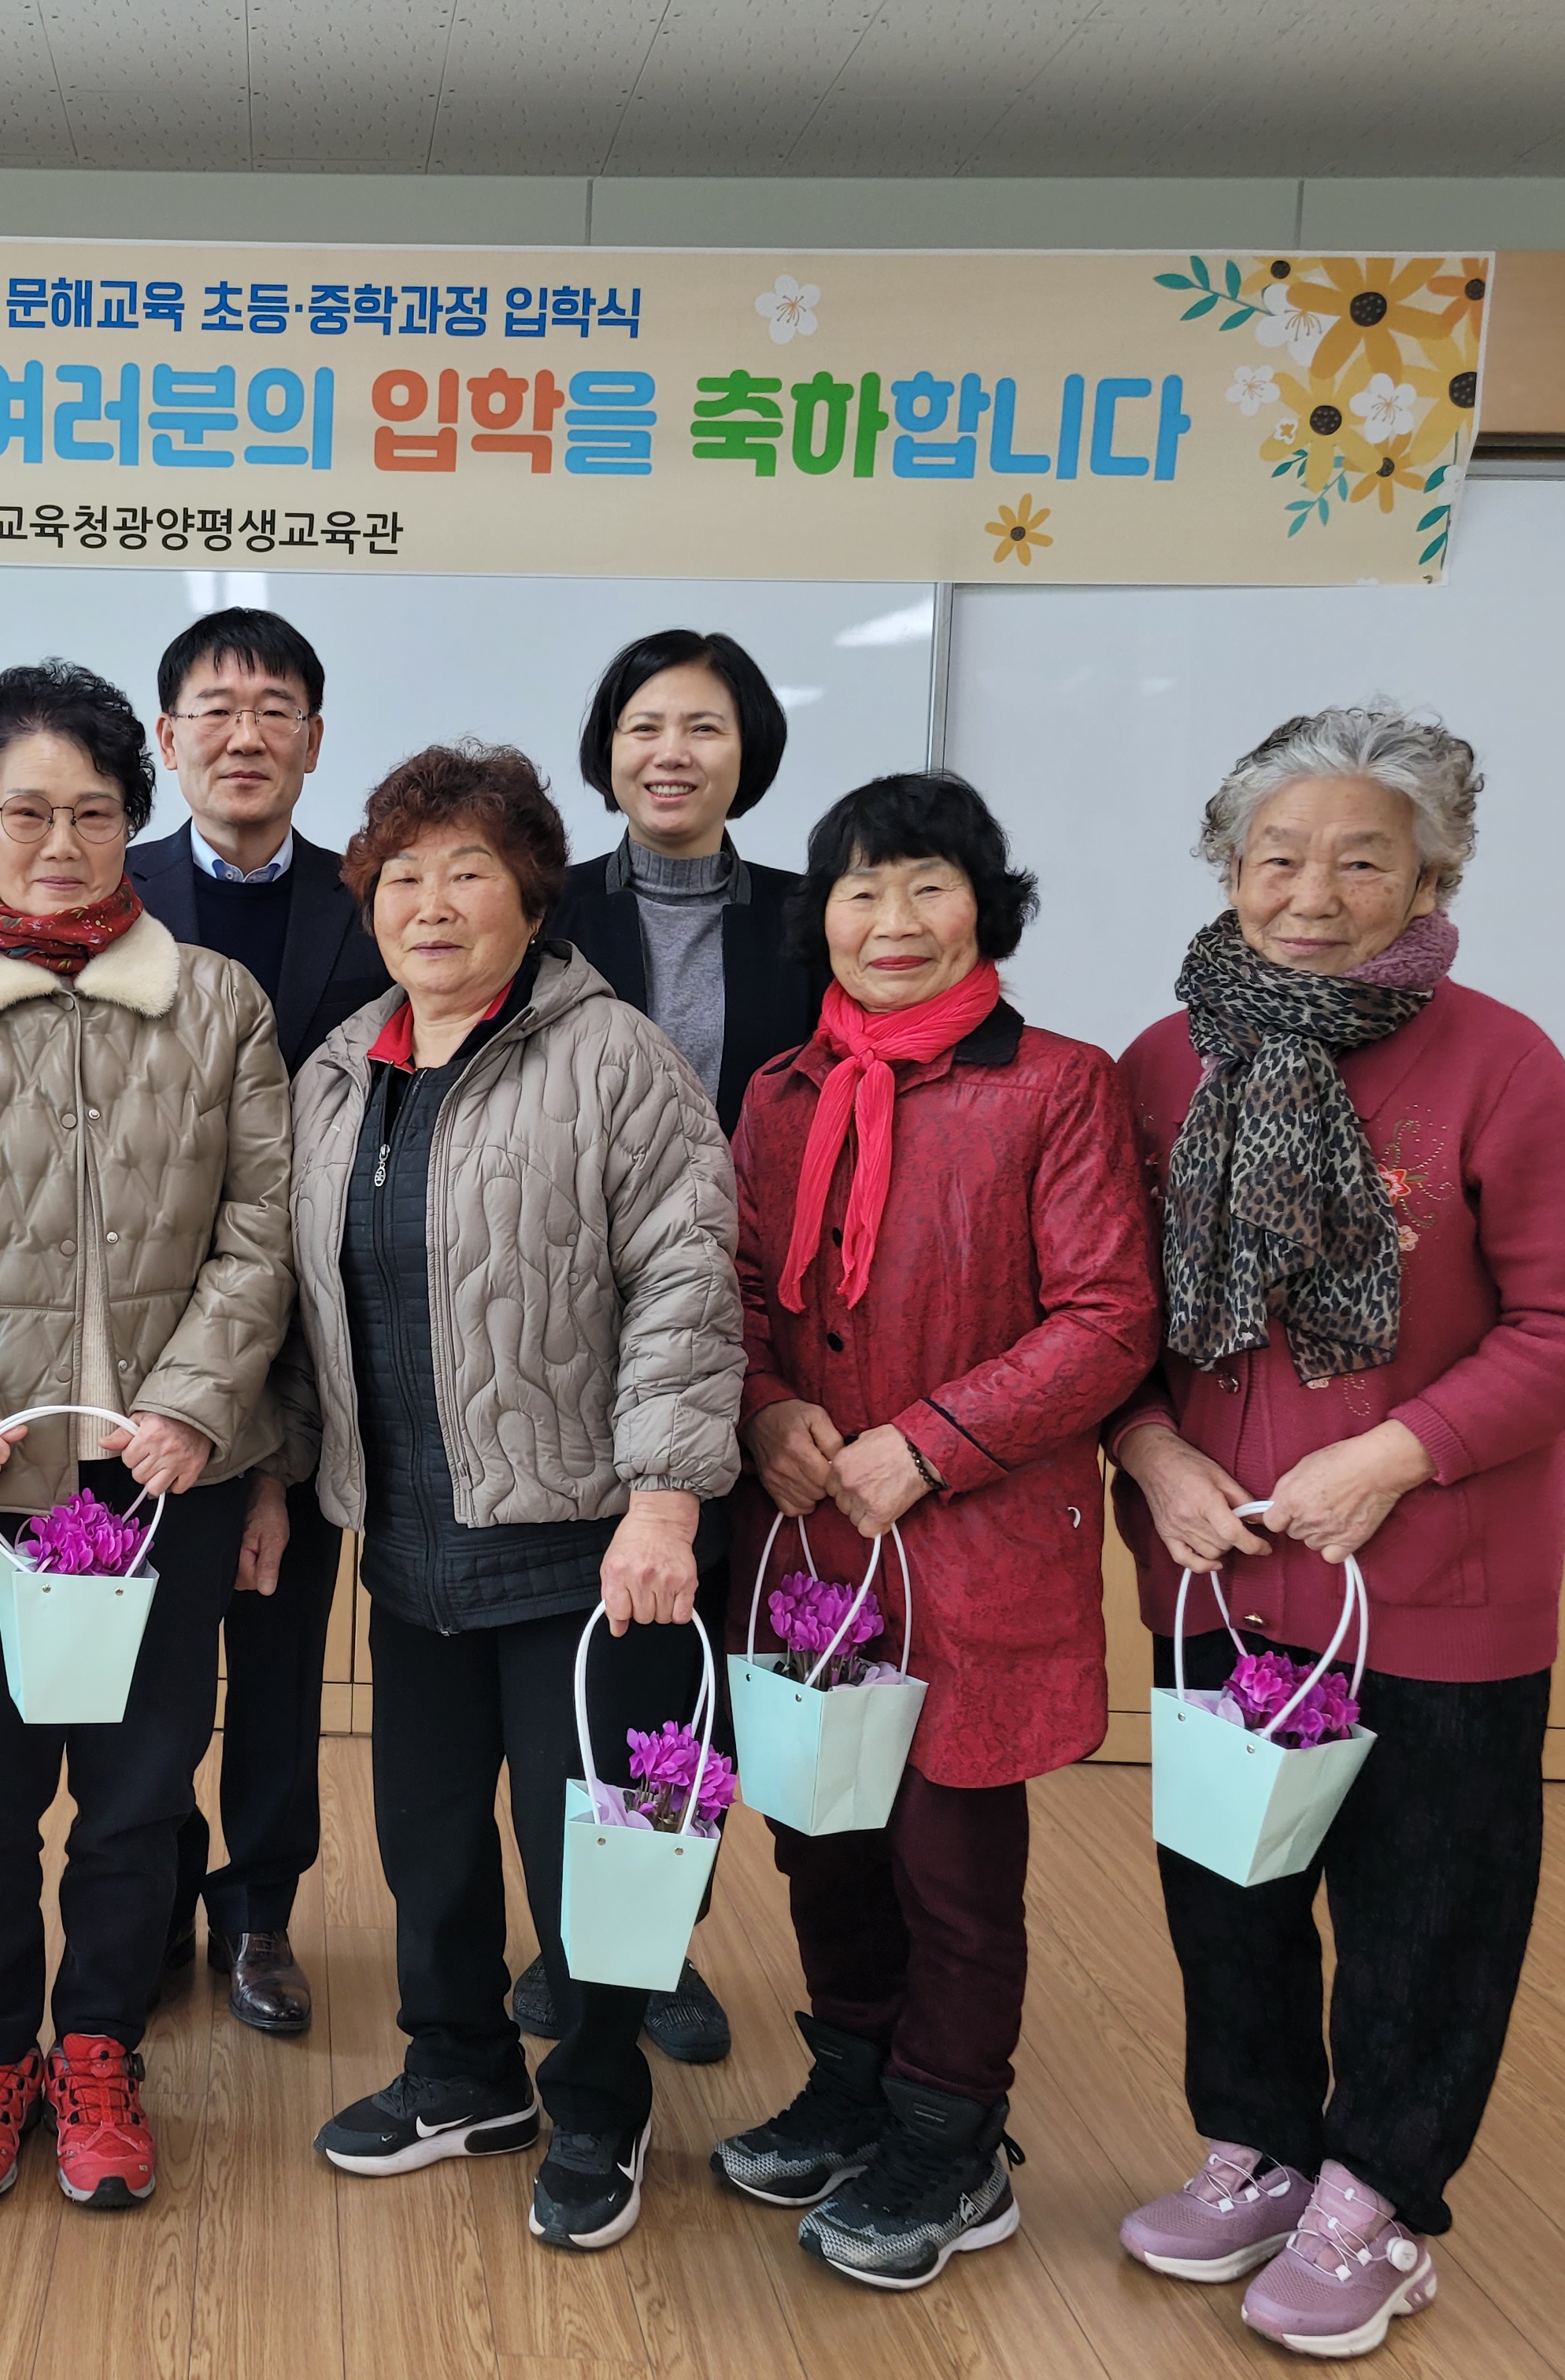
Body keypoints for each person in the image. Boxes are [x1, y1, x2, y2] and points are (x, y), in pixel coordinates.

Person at [1107, 708, 1565, 2361]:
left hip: (1435, 1582)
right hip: (1218, 1571)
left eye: (1361, 862)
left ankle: (1379, 2200)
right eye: (1279, 857)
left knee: (1427, 1912)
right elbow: (1110, 1317)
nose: (1313, 895)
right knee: (1229, 1892)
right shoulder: (1162, 1061)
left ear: (1430, 879)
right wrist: (1149, 1453)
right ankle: (1260, 2150)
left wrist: (1398, 1456)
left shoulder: (1501, 1061)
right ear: (1229, 869)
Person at [0, 658, 293, 2212]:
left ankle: (98, 2049)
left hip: (166, 1478)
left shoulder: (216, 1003)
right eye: (24, 812)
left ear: (131, 822)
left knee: (142, 1786)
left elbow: (261, 1228)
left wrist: (195, 1407)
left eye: (94, 814)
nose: (60, 844)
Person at [295, 742, 744, 2256]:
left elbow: (687, 1283)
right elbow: (307, 1301)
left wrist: (665, 1501)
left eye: (468, 872)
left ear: (534, 899)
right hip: (409, 1537)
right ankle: (460, 2074)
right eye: (402, 875)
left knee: (590, 1853)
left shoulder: (614, 1057)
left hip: (581, 1545)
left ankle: (601, 2103)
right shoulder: (341, 1071)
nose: (430, 904)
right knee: (425, 1834)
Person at [713, 771, 1159, 2291]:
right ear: (821, 916)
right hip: (813, 1533)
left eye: (927, 885)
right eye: (859, 889)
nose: (891, 920)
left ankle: (952, 2137)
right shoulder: (780, 1093)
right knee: (824, 1839)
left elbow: (1109, 1317)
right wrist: (767, 1409)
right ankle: (853, 2084)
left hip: (975, 1536)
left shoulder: (1059, 1085)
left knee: (951, 1862)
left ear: (986, 907)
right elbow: (737, 1287)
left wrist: (932, 1442)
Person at [530, 624, 824, 2065]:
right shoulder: (546, 910)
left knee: (686, 1658)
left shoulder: (817, 922)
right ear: (606, 752)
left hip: (751, 1327)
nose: (672, 753)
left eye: (704, 727)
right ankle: (561, 1939)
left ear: (747, 753)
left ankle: (657, 1943)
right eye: (644, 726)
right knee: (567, 1653)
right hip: (556, 1335)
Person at [129, 604, 393, 2036]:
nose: (246, 735)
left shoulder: (376, 906)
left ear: (314, 739)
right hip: (139, 1352)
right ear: (168, 738)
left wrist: (282, 1436)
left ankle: (261, 1913)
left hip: (321, 1342)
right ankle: (153, 1887)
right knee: (151, 1655)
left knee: (282, 1654)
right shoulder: (108, 895)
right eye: (217, 711)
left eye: (275, 709)